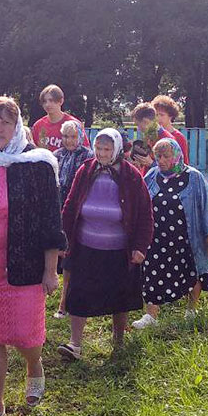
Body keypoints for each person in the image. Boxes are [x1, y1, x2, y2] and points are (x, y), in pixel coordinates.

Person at [0, 96, 66, 416]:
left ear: (17, 126)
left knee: (25, 335)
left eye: (6, 121)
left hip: (25, 267)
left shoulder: (38, 164)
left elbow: (51, 221)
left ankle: (35, 365)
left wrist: (51, 270)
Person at [58, 128, 153, 363]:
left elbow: (145, 214)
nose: (101, 153)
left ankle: (118, 342)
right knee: (78, 293)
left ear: (117, 149)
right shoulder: (86, 170)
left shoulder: (131, 175)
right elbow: (70, 206)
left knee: (119, 296)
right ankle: (75, 344)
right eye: (98, 148)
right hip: (85, 246)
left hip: (119, 249)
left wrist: (140, 247)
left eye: (107, 149)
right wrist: (63, 238)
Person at [131, 138, 208, 329]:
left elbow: (206, 206)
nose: (161, 160)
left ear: (176, 156)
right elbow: (141, 201)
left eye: (166, 156)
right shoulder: (153, 175)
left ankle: (191, 309)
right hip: (156, 238)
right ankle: (151, 315)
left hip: (186, 236)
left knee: (191, 270)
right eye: (159, 156)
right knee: (152, 272)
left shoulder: (193, 177)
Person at [52, 119, 94, 319]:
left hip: (79, 211)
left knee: (72, 256)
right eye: (65, 136)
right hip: (58, 210)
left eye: (72, 136)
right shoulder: (57, 155)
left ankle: (64, 303)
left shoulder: (88, 156)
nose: (68, 140)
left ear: (80, 136)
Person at [31, 84, 91, 152]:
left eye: (51, 100)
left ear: (61, 101)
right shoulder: (38, 125)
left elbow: (86, 151)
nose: (47, 104)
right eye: (44, 101)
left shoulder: (73, 124)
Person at [128, 102, 173, 174]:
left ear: (146, 121)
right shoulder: (149, 137)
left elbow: (173, 170)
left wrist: (151, 164)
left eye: (138, 124)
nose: (138, 129)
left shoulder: (167, 140)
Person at [151, 95, 189, 164]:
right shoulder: (151, 136)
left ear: (171, 116)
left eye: (162, 115)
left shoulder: (179, 137)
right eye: (156, 115)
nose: (158, 118)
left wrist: (152, 164)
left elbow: (182, 165)